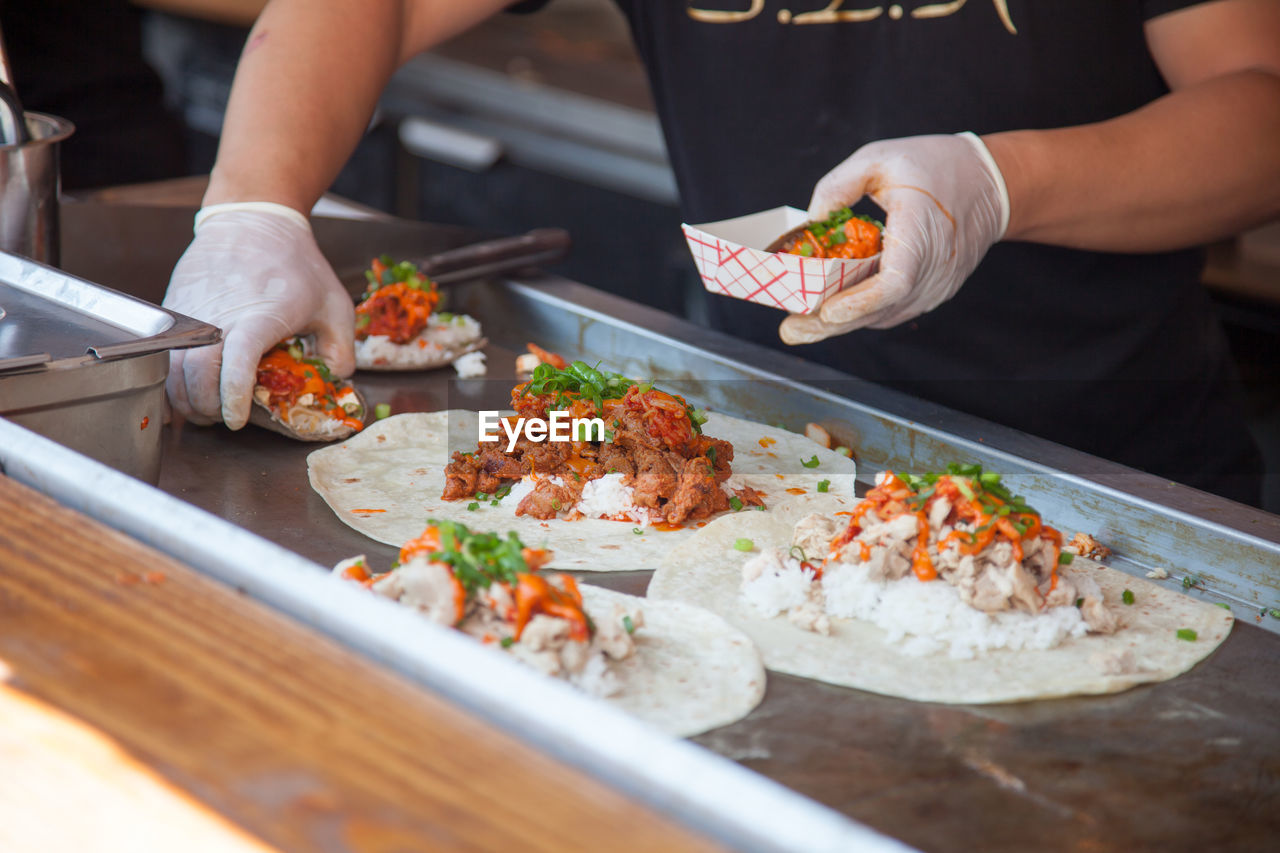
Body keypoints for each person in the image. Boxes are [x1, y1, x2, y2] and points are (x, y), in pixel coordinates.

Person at [162, 0, 1280, 506]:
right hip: (757, 451)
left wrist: (1000, 185)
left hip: (1112, 463)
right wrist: (252, 210)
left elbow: (1257, 105)